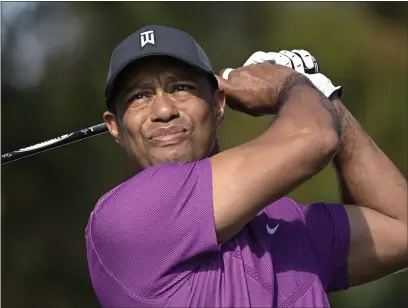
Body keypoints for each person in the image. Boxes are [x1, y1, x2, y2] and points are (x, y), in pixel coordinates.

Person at [85, 25, 407, 307]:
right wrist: (290, 86)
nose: (164, 109)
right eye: (139, 96)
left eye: (181, 87)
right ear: (115, 127)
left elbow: (401, 228)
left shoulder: (288, 220)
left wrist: (326, 98)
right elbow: (315, 137)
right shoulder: (122, 218)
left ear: (218, 103)